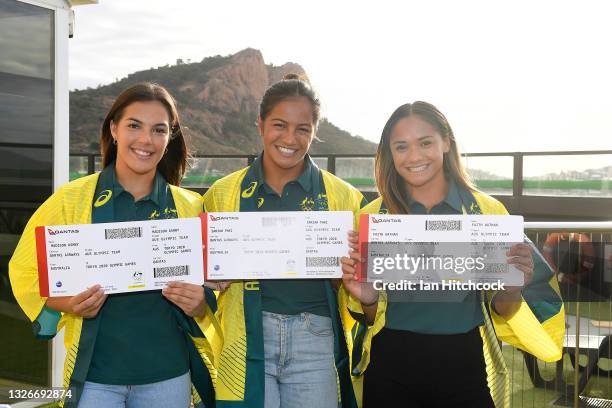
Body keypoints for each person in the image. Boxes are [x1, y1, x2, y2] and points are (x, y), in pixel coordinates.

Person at [339, 101, 565, 408]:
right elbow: (368, 317)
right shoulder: (373, 218)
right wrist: (368, 298)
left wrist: (511, 289)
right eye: (401, 146)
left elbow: (504, 310)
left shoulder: (487, 213)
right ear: (389, 153)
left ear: (446, 142)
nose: (414, 156)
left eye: (426, 142)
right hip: (390, 365)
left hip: (463, 366)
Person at [9, 83, 216, 408]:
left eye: (158, 129)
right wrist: (64, 303)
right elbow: (25, 267)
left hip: (169, 376)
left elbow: (215, 285)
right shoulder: (71, 200)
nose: (146, 139)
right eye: (134, 125)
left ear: (169, 137)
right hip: (95, 379)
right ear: (114, 128)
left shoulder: (191, 207)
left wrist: (202, 299)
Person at [202, 74, 365, 408]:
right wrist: (210, 280)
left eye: (302, 129)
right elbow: (206, 285)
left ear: (314, 132)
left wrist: (345, 277)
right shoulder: (222, 193)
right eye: (279, 124)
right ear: (260, 124)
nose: (290, 138)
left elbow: (357, 292)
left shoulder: (344, 197)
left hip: (315, 336)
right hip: (246, 336)